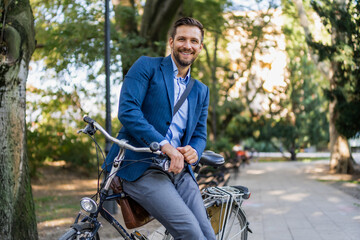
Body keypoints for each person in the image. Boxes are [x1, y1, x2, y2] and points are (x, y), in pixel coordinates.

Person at [104, 17, 216, 239]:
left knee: (207, 235)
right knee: (191, 233)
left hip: (179, 171)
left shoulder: (201, 91)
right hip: (140, 167)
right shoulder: (147, 66)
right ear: (171, 42)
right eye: (182, 39)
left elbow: (199, 134)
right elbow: (128, 110)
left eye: (194, 41)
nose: (187, 45)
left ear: (200, 47)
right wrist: (166, 146)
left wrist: (195, 150)